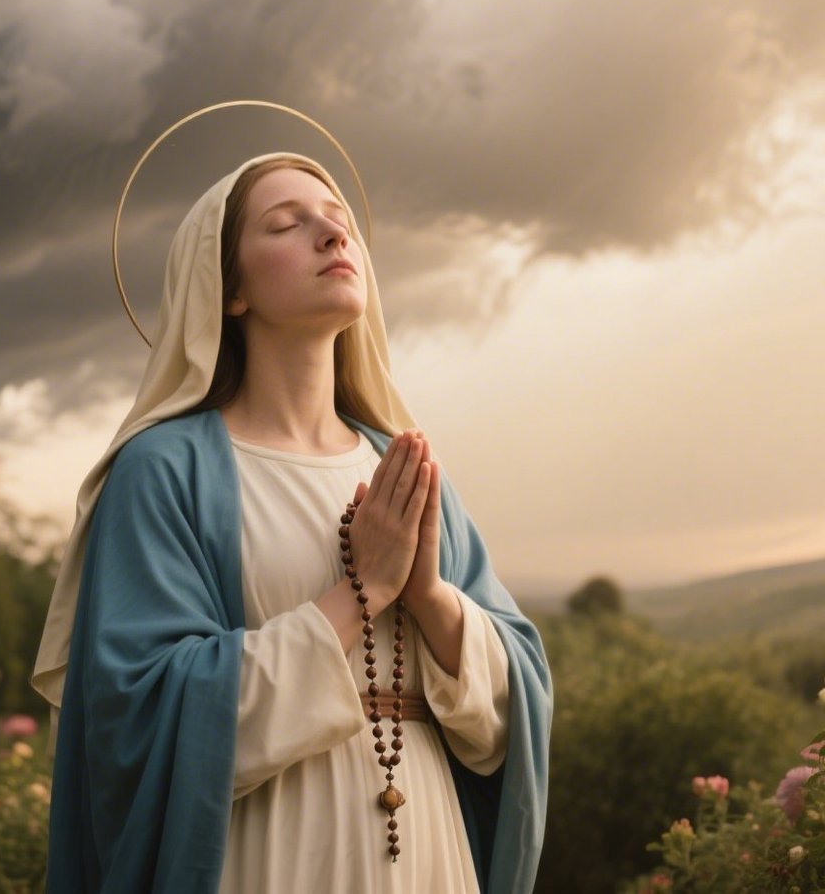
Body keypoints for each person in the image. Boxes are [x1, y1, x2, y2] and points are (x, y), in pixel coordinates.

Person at [32, 152, 551, 893]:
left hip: (428, 851)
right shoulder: (164, 471)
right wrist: (360, 590)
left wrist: (430, 595)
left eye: (339, 222)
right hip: (268, 848)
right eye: (287, 224)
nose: (332, 236)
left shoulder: (402, 465)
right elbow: (137, 722)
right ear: (229, 289)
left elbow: (512, 718)